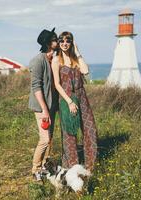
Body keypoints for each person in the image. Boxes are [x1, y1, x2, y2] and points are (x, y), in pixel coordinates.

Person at [51, 31, 97, 173]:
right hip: (67, 99)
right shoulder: (56, 60)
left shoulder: (75, 58)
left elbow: (85, 70)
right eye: (62, 41)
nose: (65, 43)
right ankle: (73, 167)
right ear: (59, 43)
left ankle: (90, 166)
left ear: (71, 43)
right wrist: (70, 102)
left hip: (81, 96)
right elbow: (57, 84)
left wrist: (77, 52)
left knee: (90, 130)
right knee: (70, 133)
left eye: (68, 41)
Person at [28, 28, 59, 181]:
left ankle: (45, 166)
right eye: (55, 39)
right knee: (45, 139)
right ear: (48, 43)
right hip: (41, 107)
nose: (58, 41)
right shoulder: (38, 60)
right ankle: (35, 169)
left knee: (50, 138)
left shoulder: (53, 59)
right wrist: (45, 110)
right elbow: (36, 87)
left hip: (51, 106)